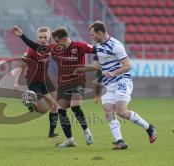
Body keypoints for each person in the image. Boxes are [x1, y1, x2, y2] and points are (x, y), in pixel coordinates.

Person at [11, 26, 96, 147]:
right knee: (59, 109)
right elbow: (35, 48)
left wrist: (96, 65)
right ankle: (70, 140)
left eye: (57, 41)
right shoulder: (55, 48)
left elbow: (96, 50)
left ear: (64, 39)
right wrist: (22, 36)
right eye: (41, 37)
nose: (56, 44)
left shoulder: (79, 46)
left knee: (74, 106)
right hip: (52, 83)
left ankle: (86, 131)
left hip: (76, 81)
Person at [87, 20, 157, 149]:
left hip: (121, 80)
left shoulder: (116, 45)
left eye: (93, 34)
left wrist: (113, 73)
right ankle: (120, 141)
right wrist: (83, 69)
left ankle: (149, 127)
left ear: (100, 32)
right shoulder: (98, 46)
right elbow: (98, 65)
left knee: (121, 111)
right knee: (108, 111)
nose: (92, 37)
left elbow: (128, 65)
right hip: (108, 84)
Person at [13, 26, 59, 137]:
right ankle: (30, 103)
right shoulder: (31, 49)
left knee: (55, 106)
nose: (42, 39)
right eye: (40, 37)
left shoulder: (50, 48)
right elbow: (22, 65)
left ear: (48, 37)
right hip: (33, 82)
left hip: (46, 80)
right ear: (37, 37)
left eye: (44, 37)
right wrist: (16, 82)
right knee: (44, 109)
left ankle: (51, 133)